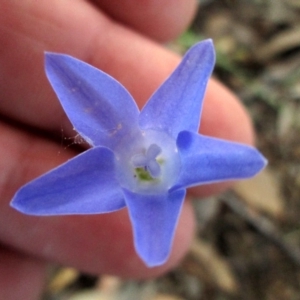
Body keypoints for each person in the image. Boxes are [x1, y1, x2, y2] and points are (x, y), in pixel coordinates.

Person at [0, 1, 254, 299]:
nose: (148, 162)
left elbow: (195, 72)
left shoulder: (164, 183)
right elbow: (69, 78)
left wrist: (197, 63)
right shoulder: (118, 149)